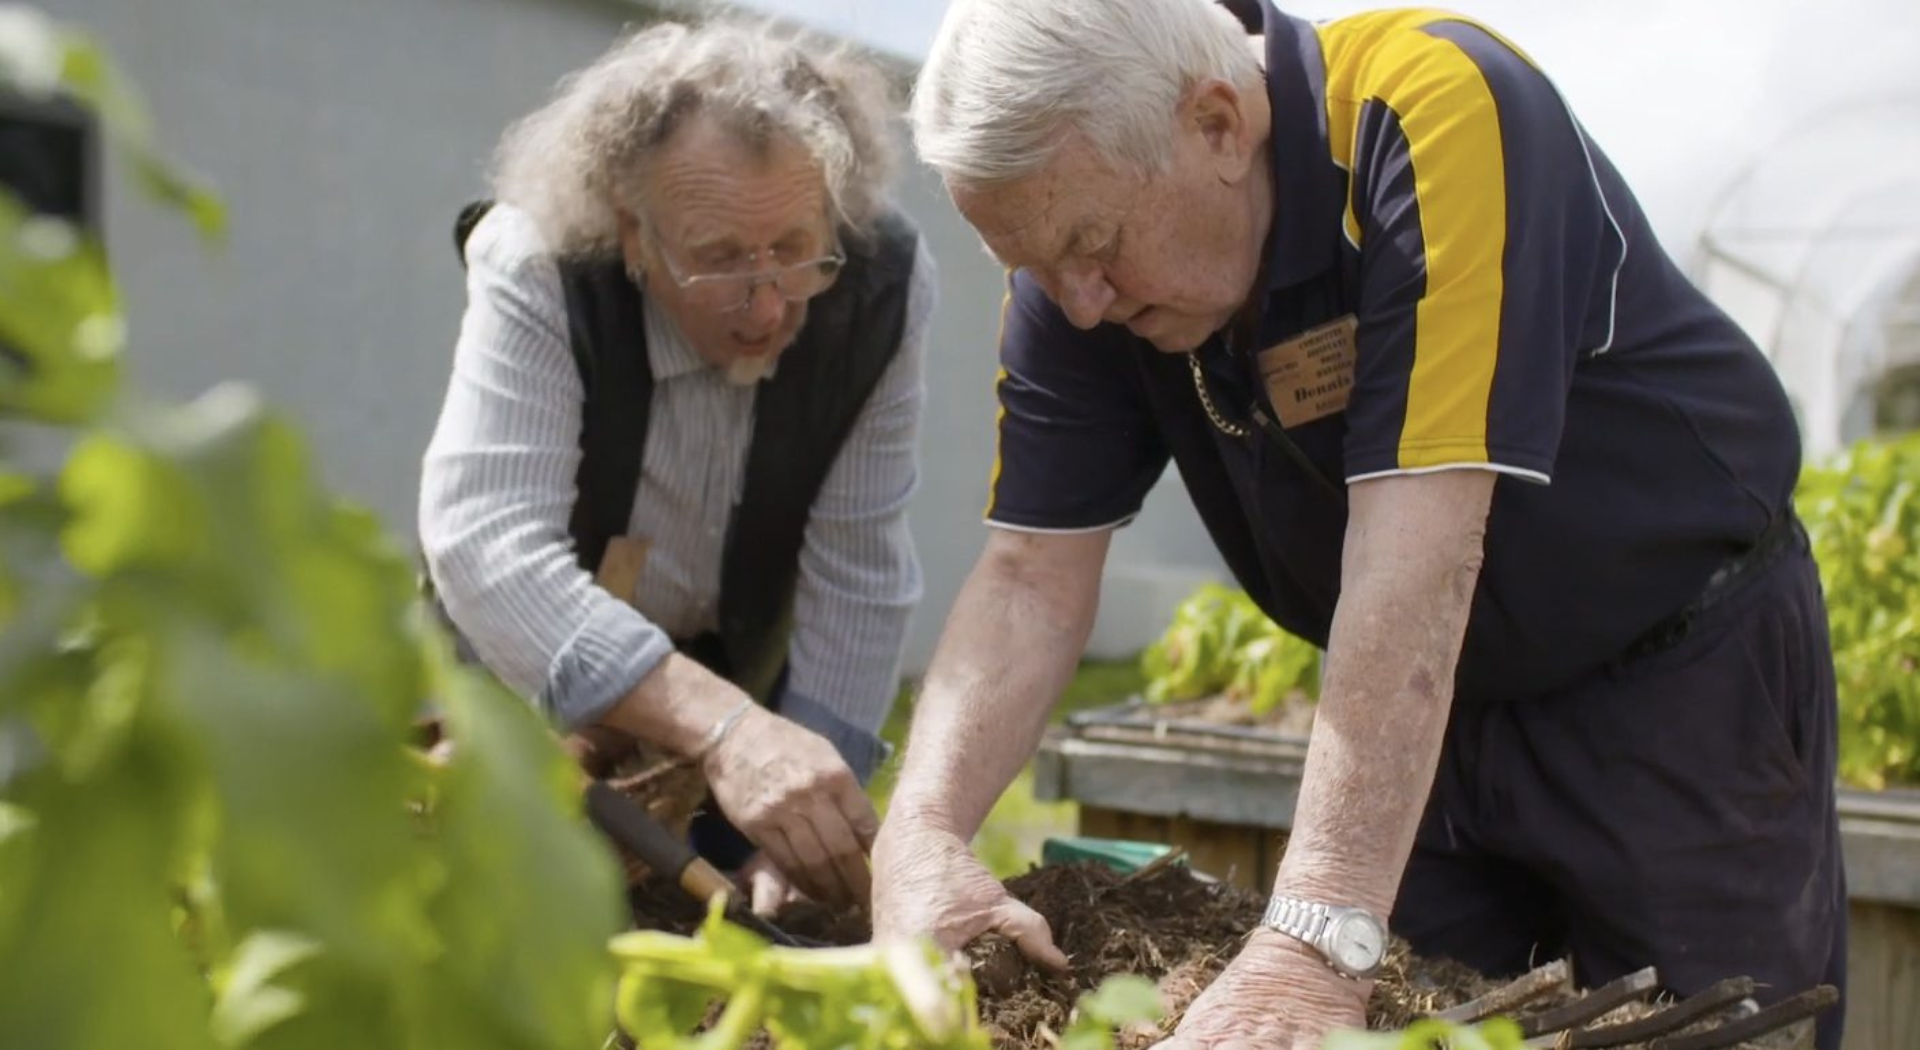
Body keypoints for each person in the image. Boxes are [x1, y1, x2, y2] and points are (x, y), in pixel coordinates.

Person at [873, 1, 1846, 1047]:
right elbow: (1028, 576)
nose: (1075, 305)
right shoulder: (1083, 247)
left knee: (1712, 1031)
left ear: (1215, 123)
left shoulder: (1427, 108)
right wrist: (919, 834)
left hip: (1672, 684)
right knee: (1414, 1022)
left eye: (1091, 247)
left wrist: (1316, 930)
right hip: (1422, 711)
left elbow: (1419, 555)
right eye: (1030, 266)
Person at [418, 18, 934, 915]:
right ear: (632, 234)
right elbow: (487, 542)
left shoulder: (880, 286)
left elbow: (857, 570)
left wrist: (814, 797)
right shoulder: (541, 260)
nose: (768, 304)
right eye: (719, 260)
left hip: (740, 677)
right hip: (525, 681)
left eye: (794, 249)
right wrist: (723, 728)